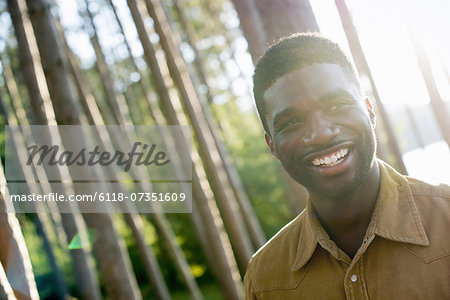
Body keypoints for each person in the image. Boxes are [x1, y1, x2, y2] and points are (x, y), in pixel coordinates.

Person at [244, 32, 450, 299]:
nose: (321, 134)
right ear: (272, 146)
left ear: (369, 109)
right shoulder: (265, 279)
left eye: (337, 104)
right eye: (292, 122)